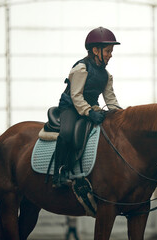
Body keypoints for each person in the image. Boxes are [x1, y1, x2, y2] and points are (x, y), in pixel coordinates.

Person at [52, 26, 121, 188]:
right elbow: (76, 96)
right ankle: (59, 173)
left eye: (111, 51)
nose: (110, 55)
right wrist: (89, 112)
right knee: (67, 133)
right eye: (108, 51)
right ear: (96, 50)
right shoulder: (81, 69)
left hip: (91, 109)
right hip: (71, 108)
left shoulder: (106, 75)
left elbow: (110, 100)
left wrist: (121, 115)